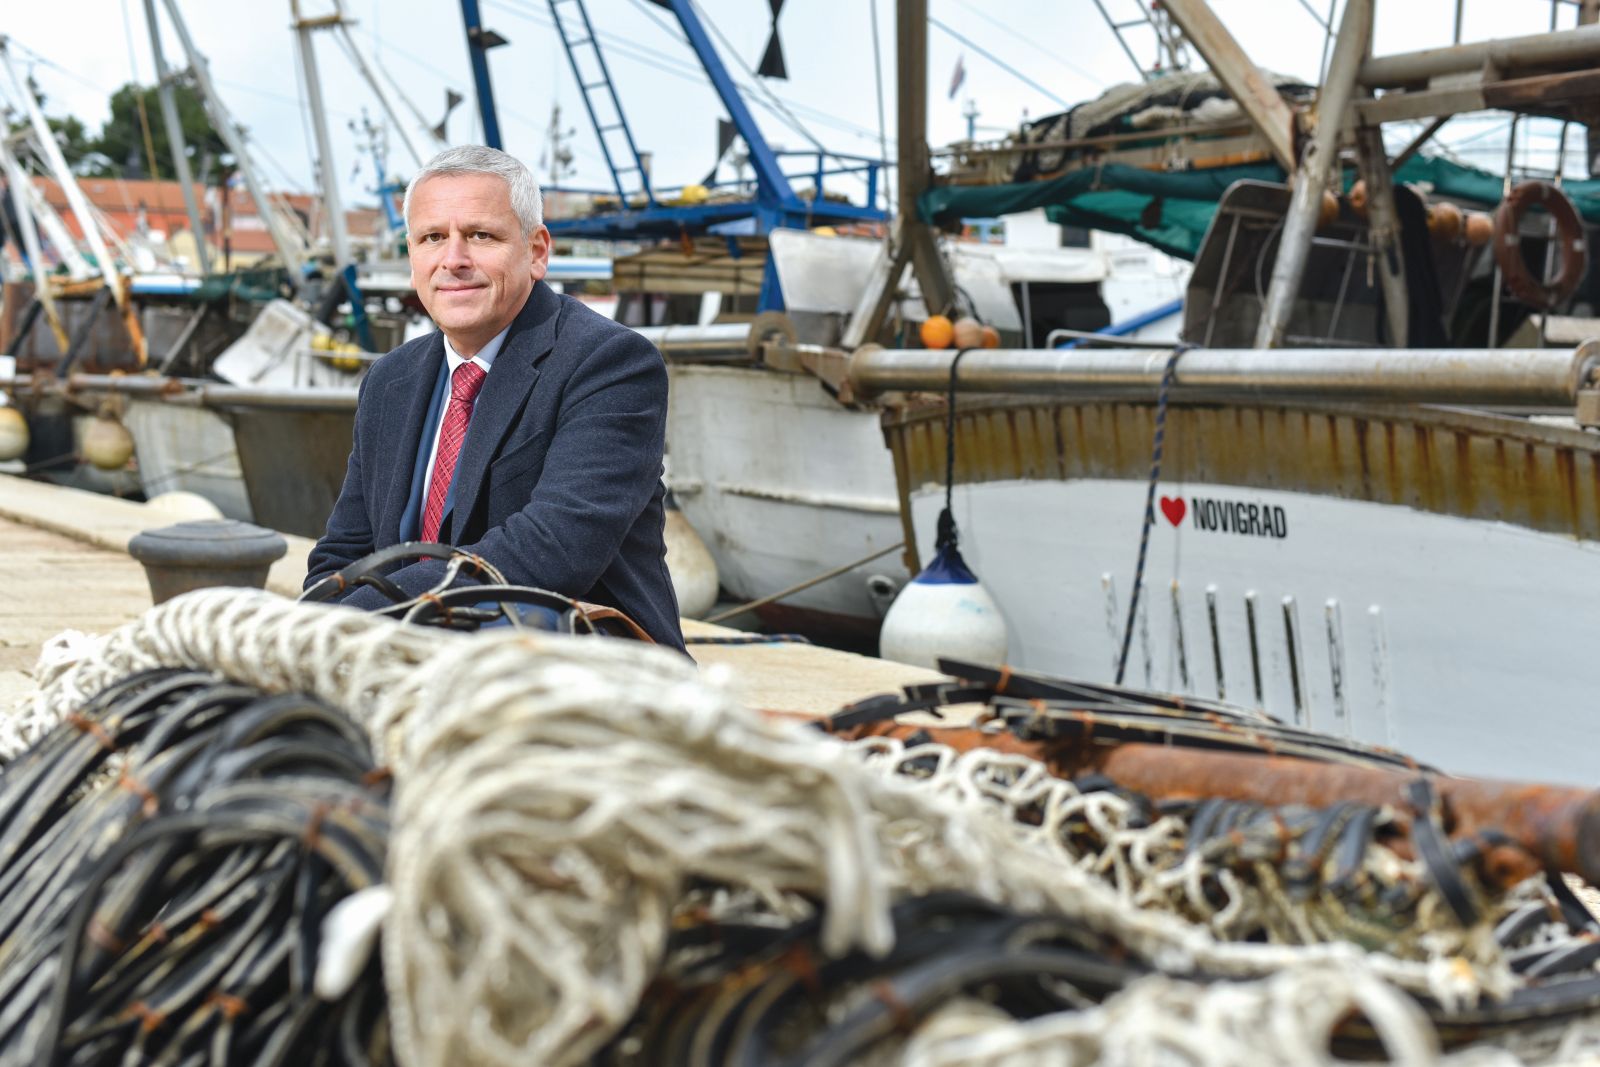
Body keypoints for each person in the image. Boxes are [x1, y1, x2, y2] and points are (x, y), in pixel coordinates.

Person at [305, 145, 684, 651]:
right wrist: (304, 635)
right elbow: (343, 553)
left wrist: (359, 622)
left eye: (480, 236)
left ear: (537, 252)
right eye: (432, 238)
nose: (453, 260)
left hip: (584, 674)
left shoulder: (610, 363)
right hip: (412, 660)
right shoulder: (389, 380)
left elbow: (553, 550)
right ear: (412, 255)